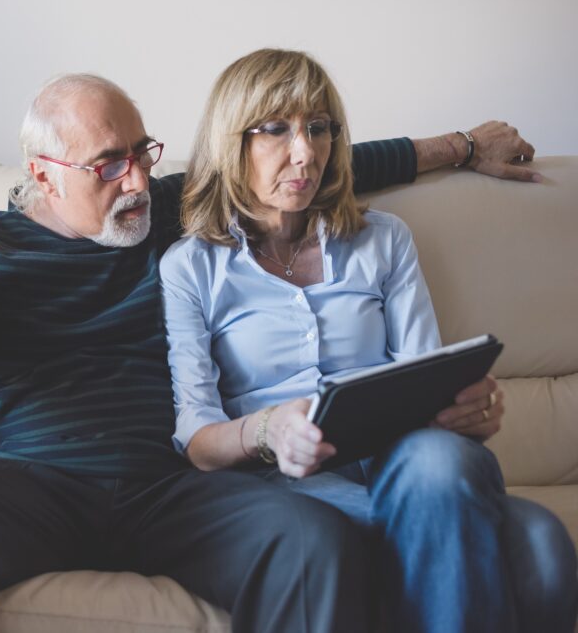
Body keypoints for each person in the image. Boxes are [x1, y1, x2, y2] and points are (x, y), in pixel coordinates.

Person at [0, 69, 540, 633]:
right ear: (44, 175)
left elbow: (307, 167)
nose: (137, 182)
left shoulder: (169, 210)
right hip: (25, 479)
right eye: (108, 166)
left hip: (169, 486)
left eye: (142, 154)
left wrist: (464, 146)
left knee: (312, 543)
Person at [160, 48, 577, 633]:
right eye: (276, 130)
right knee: (540, 547)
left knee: (438, 463)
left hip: (407, 462)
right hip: (283, 481)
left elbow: (424, 374)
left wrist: (462, 412)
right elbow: (198, 437)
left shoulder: (383, 239)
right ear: (234, 143)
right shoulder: (191, 267)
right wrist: (269, 428)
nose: (305, 152)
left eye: (320, 128)